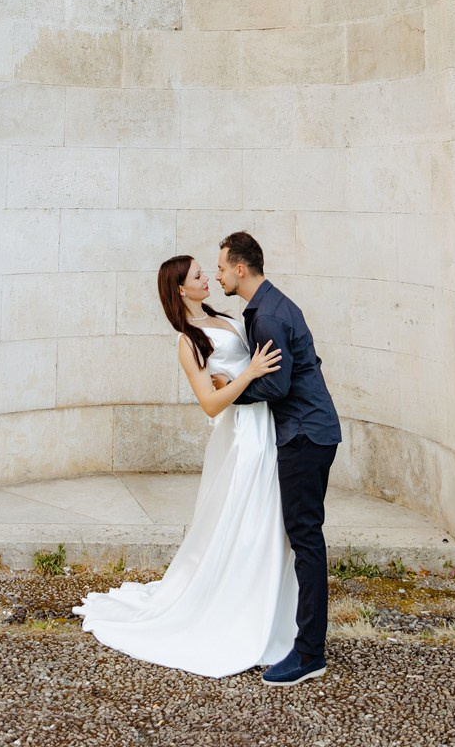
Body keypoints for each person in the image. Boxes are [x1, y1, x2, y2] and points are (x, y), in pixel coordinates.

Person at [73, 254, 299, 678]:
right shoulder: (187, 339)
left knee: (269, 519)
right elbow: (209, 402)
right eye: (198, 275)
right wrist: (247, 374)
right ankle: (239, 610)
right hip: (241, 434)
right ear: (181, 289)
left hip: (265, 423)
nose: (208, 278)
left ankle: (271, 609)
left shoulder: (224, 316)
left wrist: (248, 374)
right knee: (248, 520)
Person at [216, 231, 342, 687]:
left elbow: (277, 385)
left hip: (305, 435)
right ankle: (300, 640)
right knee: (303, 538)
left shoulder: (267, 315)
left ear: (241, 269)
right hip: (310, 431)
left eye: (222, 267)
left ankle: (310, 653)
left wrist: (229, 393)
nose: (218, 275)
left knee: (306, 539)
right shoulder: (270, 307)